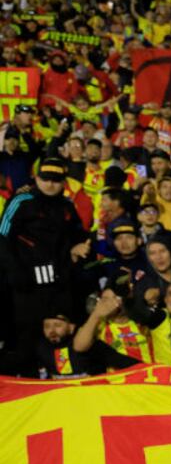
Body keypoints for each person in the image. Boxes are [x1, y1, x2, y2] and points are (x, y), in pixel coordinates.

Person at [0, 157, 90, 372]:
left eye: (56, 180)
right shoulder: (21, 201)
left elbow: (80, 237)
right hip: (26, 287)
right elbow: (2, 238)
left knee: (60, 342)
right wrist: (15, 274)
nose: (50, 184)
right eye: (46, 178)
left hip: (59, 286)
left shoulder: (68, 206)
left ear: (63, 182)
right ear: (37, 178)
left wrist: (80, 248)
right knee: (26, 343)